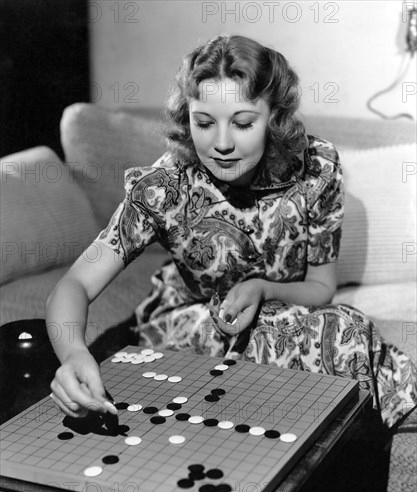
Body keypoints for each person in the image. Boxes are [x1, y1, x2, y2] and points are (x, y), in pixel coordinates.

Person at [47, 34, 416, 429]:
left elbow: (321, 288)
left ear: (273, 117)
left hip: (287, 312)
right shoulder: (164, 186)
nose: (221, 143)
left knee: (347, 331)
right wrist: (73, 354)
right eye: (203, 122)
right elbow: (74, 287)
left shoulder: (317, 168)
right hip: (192, 326)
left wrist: (263, 288)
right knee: (305, 339)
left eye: (242, 123)